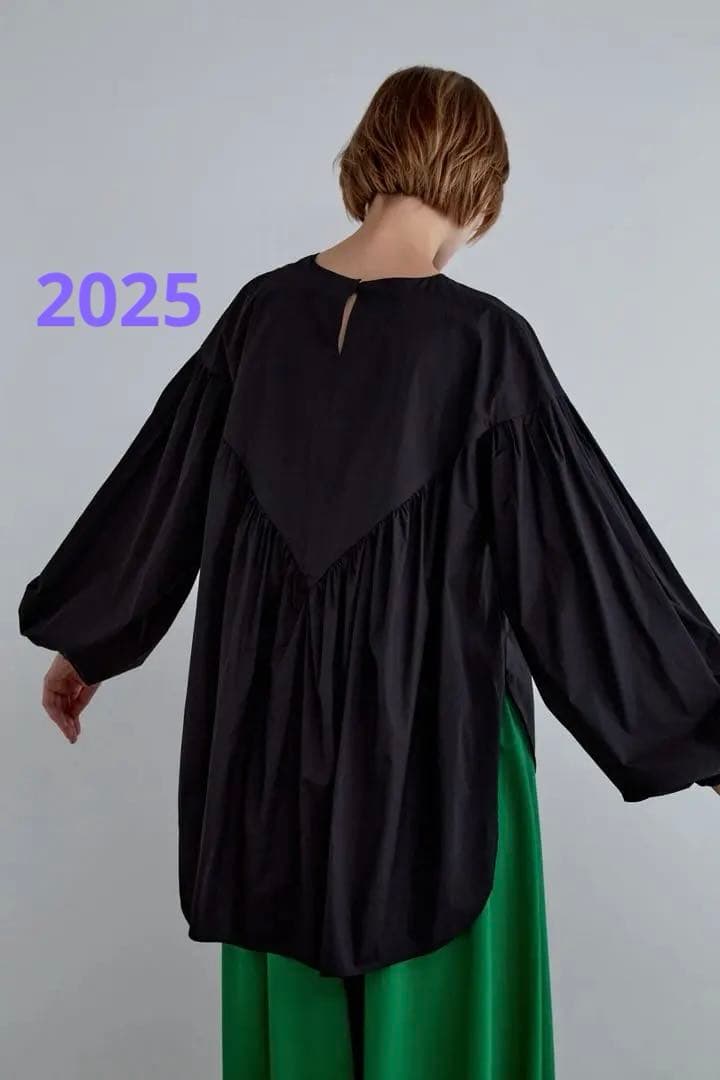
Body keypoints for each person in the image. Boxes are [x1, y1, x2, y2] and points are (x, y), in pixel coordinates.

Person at [18, 64, 720, 1080]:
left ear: (368, 161)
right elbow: (583, 562)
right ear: (481, 189)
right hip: (442, 759)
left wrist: (90, 644)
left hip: (267, 754)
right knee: (444, 1041)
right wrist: (702, 721)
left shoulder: (257, 318)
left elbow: (157, 496)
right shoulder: (485, 344)